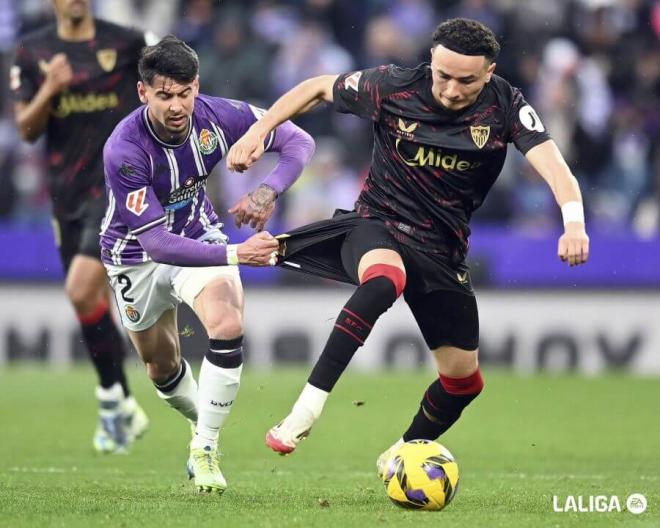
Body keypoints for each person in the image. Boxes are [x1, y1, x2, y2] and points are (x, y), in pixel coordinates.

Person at [226, 18, 590, 471]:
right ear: (431, 63)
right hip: (377, 223)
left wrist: (573, 223)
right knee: (384, 280)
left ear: (490, 72)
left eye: (467, 81)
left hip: (442, 249)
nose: (452, 90)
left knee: (462, 383)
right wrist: (259, 131)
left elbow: (556, 169)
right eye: (444, 76)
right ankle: (304, 411)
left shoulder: (505, 106)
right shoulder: (394, 86)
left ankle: (399, 454)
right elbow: (317, 87)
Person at [101, 35, 314, 493]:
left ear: (196, 86)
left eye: (184, 93)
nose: (176, 106)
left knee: (226, 321)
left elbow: (299, 141)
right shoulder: (125, 149)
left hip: (198, 233)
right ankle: (204, 423)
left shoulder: (220, 116)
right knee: (160, 368)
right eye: (164, 96)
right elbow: (156, 243)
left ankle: (205, 447)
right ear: (143, 93)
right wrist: (240, 253)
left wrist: (267, 189)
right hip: (134, 253)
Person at [10, 0, 153, 454]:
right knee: (88, 301)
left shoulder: (126, 42)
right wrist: (51, 87)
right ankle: (118, 402)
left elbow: (165, 88)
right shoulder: (32, 52)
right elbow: (27, 129)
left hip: (115, 187)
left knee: (78, 289)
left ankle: (114, 400)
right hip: (64, 194)